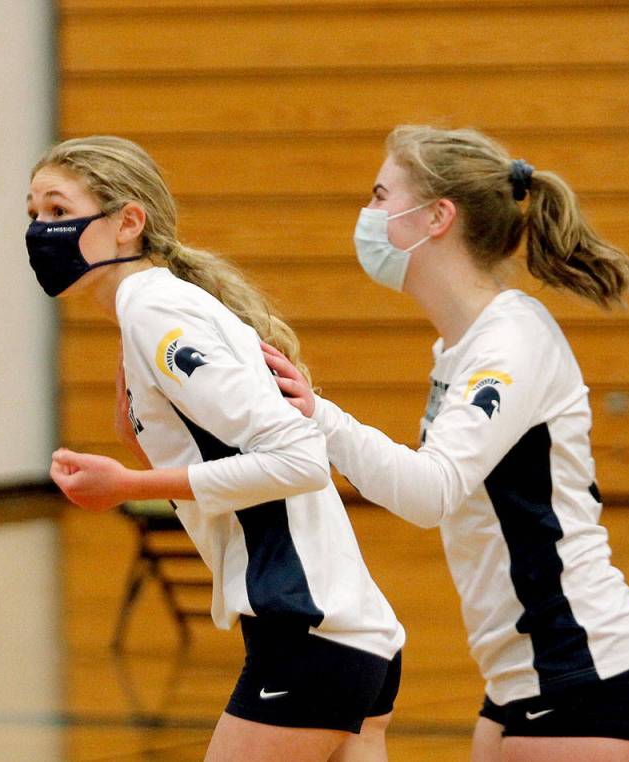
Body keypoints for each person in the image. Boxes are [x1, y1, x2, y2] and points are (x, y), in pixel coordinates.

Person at [262, 125, 629, 762]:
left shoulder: (510, 342)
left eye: (380, 195)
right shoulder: (461, 346)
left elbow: (430, 492)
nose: (367, 215)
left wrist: (317, 415)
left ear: (436, 217)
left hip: (590, 675)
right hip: (520, 680)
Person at [24, 135, 404, 762]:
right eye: (33, 214)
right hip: (349, 634)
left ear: (127, 223)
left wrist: (127, 484)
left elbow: (297, 459)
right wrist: (142, 436)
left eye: (59, 212)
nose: (41, 230)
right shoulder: (154, 309)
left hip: (307, 631)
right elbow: (226, 451)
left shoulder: (155, 310)